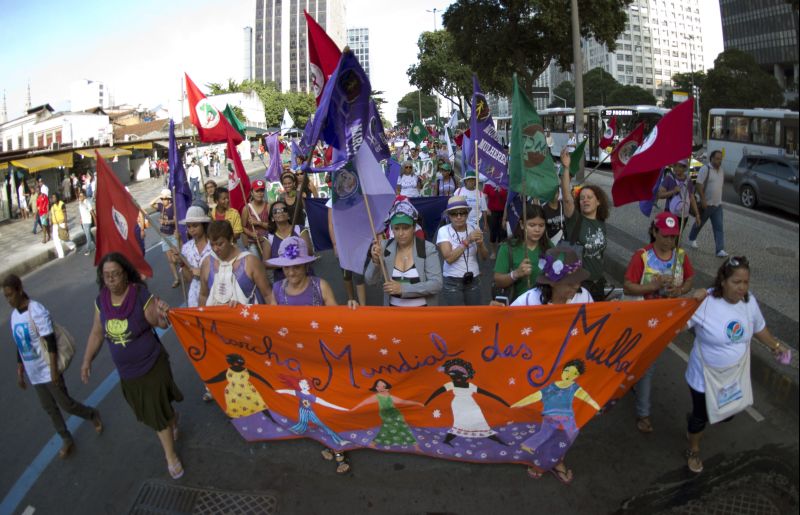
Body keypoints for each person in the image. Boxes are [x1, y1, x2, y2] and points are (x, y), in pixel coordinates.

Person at [682, 257, 792, 473]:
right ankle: (693, 448)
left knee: (727, 414)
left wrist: (775, 345)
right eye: (736, 282)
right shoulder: (705, 303)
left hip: (733, 376)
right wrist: (689, 297)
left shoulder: (749, 302)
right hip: (704, 376)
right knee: (701, 416)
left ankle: (698, 419)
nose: (742, 288)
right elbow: (675, 323)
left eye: (746, 282)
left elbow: (759, 328)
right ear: (723, 280)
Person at [80, 253, 183, 479]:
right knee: (153, 410)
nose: (111, 280)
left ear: (125, 274)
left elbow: (160, 323)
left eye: (115, 274)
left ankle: (170, 456)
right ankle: (172, 417)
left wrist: (162, 313)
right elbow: (97, 333)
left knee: (156, 414)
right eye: (106, 276)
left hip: (152, 366)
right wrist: (87, 360)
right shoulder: (101, 302)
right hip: (128, 374)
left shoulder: (139, 295)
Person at [3, 274, 103, 460]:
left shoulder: (36, 311)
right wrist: (20, 369)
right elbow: (20, 343)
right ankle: (66, 439)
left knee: (66, 404)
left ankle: (91, 414)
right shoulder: (14, 316)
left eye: (10, 295)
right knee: (50, 408)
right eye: (5, 296)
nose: (8, 299)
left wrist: (54, 371)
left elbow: (50, 341)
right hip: (34, 374)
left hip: (48, 369)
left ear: (19, 290)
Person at [623, 212, 695, 434]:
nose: (669, 241)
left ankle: (633, 380)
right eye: (665, 236)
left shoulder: (681, 257)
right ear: (654, 232)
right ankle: (643, 412)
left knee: (644, 364)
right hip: (642, 321)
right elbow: (628, 286)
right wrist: (652, 287)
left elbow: (690, 279)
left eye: (673, 237)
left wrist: (680, 289)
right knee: (648, 367)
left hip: (667, 322)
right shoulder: (642, 257)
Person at [512, 359, 600, 484]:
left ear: (578, 376)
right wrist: (517, 404)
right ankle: (530, 448)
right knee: (545, 433)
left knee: (570, 435)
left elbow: (585, 396)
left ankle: (556, 458)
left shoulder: (574, 387)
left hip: (567, 417)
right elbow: (535, 396)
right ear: (562, 371)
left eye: (574, 374)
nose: (569, 375)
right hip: (550, 417)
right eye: (567, 371)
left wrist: (596, 405)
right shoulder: (551, 386)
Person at [366, 200, 443, 307]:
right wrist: (375, 262)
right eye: (396, 228)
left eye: (406, 228)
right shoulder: (384, 247)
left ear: (414, 227)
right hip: (393, 313)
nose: (401, 233)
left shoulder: (426, 248)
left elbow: (436, 284)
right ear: (392, 228)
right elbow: (370, 281)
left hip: (423, 313)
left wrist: (403, 289)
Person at [560, 150, 610, 301]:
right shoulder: (575, 219)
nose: (585, 200)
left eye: (589, 197)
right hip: (579, 285)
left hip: (598, 284)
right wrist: (566, 168)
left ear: (598, 201)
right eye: (582, 198)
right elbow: (568, 199)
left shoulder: (601, 224)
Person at [198, 220, 272, 307]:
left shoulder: (251, 262)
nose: (215, 249)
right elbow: (203, 295)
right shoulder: (206, 263)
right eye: (212, 245)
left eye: (219, 244)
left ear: (230, 239)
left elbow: (268, 295)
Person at [437, 196, 489, 306]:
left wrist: (480, 245)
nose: (459, 217)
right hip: (452, 281)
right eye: (454, 214)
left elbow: (484, 257)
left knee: (474, 315)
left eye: (462, 213)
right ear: (449, 216)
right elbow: (449, 258)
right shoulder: (444, 231)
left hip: (473, 278)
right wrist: (467, 240)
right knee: (457, 317)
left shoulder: (474, 228)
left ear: (467, 214)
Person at [493, 204, 552, 303]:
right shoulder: (508, 248)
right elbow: (498, 280)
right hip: (517, 307)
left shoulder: (549, 246)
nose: (537, 230)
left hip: (543, 305)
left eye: (541, 225)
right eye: (532, 225)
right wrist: (515, 274)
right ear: (522, 224)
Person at [509, 247, 592, 306]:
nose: (576, 286)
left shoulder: (584, 296)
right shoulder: (528, 301)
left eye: (578, 281)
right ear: (552, 283)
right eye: (570, 283)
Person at [688, 151, 728, 257]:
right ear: (711, 159)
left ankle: (719, 250)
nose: (719, 161)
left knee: (719, 227)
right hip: (706, 204)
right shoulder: (705, 169)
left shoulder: (721, 171)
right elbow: (699, 184)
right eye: (717, 159)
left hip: (717, 205)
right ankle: (692, 239)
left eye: (720, 159)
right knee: (699, 223)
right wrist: (703, 199)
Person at [263, 200, 313, 284]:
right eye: (276, 211)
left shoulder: (300, 229)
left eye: (284, 210)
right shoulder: (269, 237)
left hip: (305, 278)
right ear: (272, 218)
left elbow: (310, 252)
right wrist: (285, 262)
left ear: (288, 215)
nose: (280, 212)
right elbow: (266, 263)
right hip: (282, 281)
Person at [658, 159, 701, 238]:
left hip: (684, 215)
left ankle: (674, 248)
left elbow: (691, 198)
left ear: (685, 168)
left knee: (677, 237)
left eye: (680, 166)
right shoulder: (669, 178)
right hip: (670, 213)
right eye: (675, 165)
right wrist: (673, 191)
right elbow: (660, 195)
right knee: (668, 236)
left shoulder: (688, 181)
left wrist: (697, 214)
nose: (677, 168)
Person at [150, 189, 181, 288]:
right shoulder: (161, 206)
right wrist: (159, 196)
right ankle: (176, 278)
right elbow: (151, 204)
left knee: (176, 258)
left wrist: (166, 222)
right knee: (170, 260)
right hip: (164, 236)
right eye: (162, 198)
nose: (163, 200)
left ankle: (184, 270)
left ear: (169, 199)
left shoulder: (173, 208)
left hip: (172, 235)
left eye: (165, 198)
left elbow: (175, 221)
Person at [241, 179, 270, 258]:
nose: (260, 194)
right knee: (257, 265)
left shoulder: (268, 206)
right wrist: (251, 234)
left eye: (262, 191)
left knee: (267, 265)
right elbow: (242, 227)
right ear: (252, 193)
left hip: (266, 241)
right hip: (252, 243)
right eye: (257, 191)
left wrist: (258, 223)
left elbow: (272, 226)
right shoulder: (246, 208)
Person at [483, 182, 508, 259]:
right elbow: (483, 199)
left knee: (503, 233)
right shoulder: (488, 184)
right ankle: (493, 252)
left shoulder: (505, 182)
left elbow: (509, 199)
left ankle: (502, 253)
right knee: (493, 234)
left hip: (504, 212)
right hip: (492, 213)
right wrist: (486, 209)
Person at [49, 193, 75, 258]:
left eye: (54, 197)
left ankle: (72, 246)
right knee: (56, 240)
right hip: (55, 225)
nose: (53, 199)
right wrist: (51, 226)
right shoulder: (52, 206)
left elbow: (65, 214)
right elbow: (51, 216)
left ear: (57, 197)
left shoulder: (61, 204)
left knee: (64, 238)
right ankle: (61, 255)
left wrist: (66, 223)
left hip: (62, 223)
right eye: (52, 198)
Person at [77, 191, 96, 256]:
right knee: (89, 234)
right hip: (83, 222)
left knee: (87, 236)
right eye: (79, 196)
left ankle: (88, 249)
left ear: (84, 196)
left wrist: (95, 220)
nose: (80, 197)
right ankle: (96, 244)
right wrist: (81, 219)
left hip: (88, 221)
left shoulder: (87, 202)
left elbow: (92, 212)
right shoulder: (80, 203)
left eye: (82, 196)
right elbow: (81, 212)